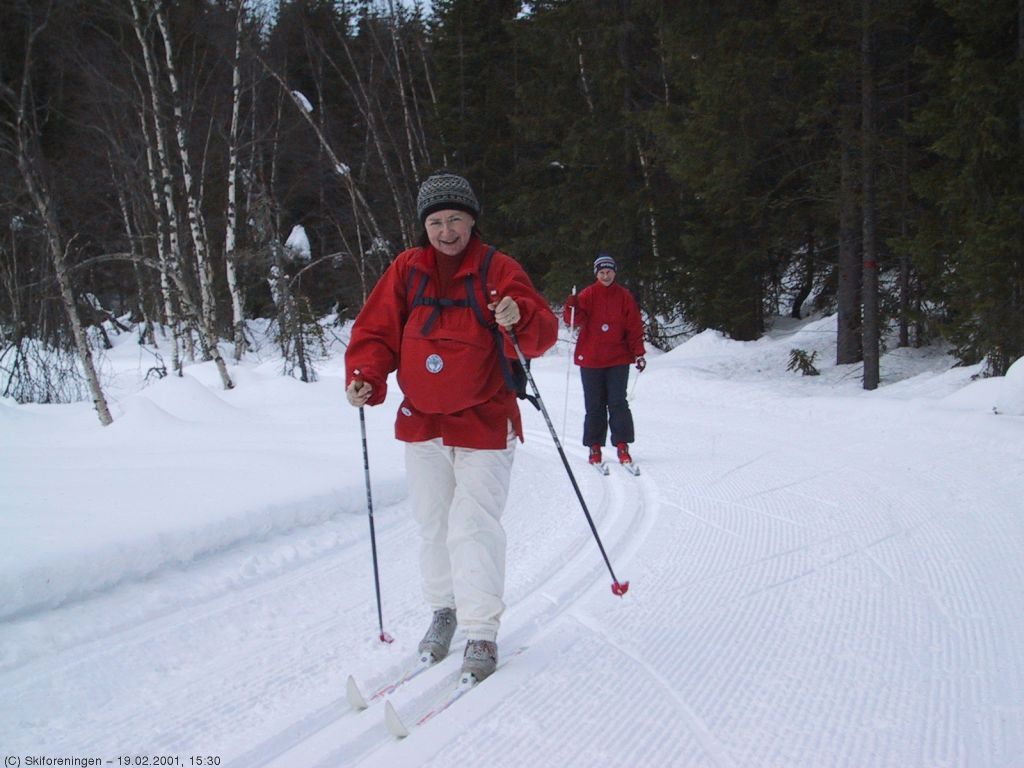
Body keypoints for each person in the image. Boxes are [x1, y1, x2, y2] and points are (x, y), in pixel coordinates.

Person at [345, 170, 557, 682]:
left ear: (471, 220)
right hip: (423, 423)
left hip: (484, 421)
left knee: (473, 525)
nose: (446, 231)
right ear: (424, 225)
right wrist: (366, 377)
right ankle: (445, 612)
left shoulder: (496, 269)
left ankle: (481, 631)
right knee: (433, 523)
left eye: (455, 219)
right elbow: (376, 331)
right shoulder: (406, 270)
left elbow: (542, 333)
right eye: (436, 221)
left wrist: (519, 313)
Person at [563, 252, 646, 466]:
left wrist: (638, 353)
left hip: (617, 358)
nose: (606, 276)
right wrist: (571, 306)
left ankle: (622, 444)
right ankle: (594, 446)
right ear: (596, 274)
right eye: (602, 272)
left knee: (618, 402)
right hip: (591, 359)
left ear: (614, 273)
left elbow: (634, 326)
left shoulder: (624, 296)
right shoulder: (588, 294)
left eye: (609, 272)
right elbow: (574, 320)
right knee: (594, 405)